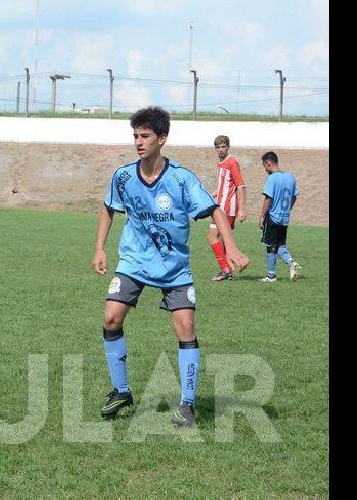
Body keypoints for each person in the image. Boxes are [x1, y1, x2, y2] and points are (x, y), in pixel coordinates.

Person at [91, 106, 250, 428]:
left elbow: (215, 211)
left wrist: (231, 246)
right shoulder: (123, 176)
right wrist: (99, 248)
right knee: (110, 318)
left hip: (174, 267)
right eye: (135, 135)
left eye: (145, 136)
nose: (138, 141)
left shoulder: (180, 178)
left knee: (185, 328)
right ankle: (121, 390)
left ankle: (188, 404)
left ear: (162, 139)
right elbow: (108, 208)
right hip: (134, 261)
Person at [206, 135, 246, 281]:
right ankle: (229, 268)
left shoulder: (232, 162)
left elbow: (241, 186)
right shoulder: (221, 163)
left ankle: (228, 268)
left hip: (227, 208)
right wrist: (209, 196)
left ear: (228, 147)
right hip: (220, 207)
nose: (221, 149)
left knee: (212, 236)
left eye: (223, 147)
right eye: (218, 147)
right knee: (222, 239)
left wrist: (242, 209)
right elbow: (221, 187)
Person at [258, 151, 301, 282]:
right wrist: (288, 210)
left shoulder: (272, 178)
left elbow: (268, 198)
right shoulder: (291, 177)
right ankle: (291, 264)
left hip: (272, 217)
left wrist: (262, 216)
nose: (265, 169)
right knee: (281, 246)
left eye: (264, 166)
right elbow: (294, 196)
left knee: (270, 246)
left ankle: (271, 276)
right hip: (285, 218)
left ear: (268, 163)